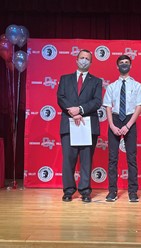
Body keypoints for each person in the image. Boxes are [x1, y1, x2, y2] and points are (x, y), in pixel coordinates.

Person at [57, 49, 102, 203]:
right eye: (82, 58)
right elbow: (60, 98)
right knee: (68, 160)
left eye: (87, 59)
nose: (84, 60)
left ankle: (85, 191)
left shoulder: (96, 81)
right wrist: (73, 112)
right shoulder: (65, 79)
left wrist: (81, 110)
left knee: (86, 160)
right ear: (76, 60)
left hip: (88, 125)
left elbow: (97, 101)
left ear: (91, 62)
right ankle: (68, 191)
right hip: (69, 124)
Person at [103, 55, 141, 202]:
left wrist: (128, 125)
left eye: (127, 63)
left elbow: (139, 107)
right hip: (114, 119)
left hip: (129, 119)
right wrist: (112, 126)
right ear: (117, 66)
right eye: (121, 63)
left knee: (131, 158)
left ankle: (132, 192)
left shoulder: (137, 86)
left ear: (131, 66)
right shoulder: (111, 86)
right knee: (112, 159)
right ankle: (112, 192)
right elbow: (108, 107)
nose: (124, 65)